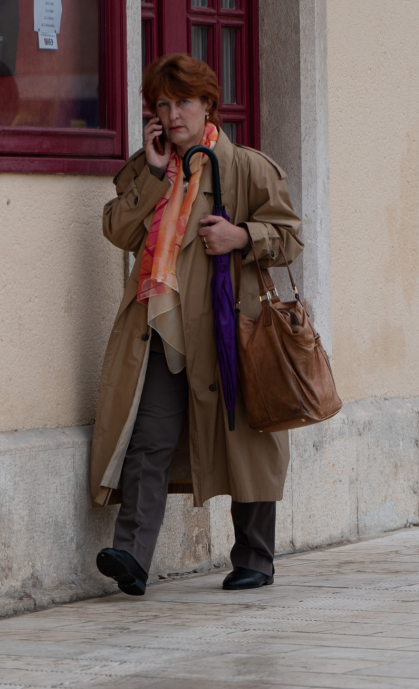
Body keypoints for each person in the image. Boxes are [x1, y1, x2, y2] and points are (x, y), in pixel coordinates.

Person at [89, 53, 303, 595]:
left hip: (229, 330)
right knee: (149, 441)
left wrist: (243, 236)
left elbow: (290, 237)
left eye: (183, 101)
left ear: (208, 104)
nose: (173, 113)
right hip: (162, 327)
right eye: (162, 103)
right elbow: (118, 229)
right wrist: (157, 174)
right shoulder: (152, 167)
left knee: (248, 440)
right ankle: (133, 556)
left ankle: (255, 558)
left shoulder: (246, 167)